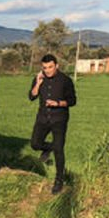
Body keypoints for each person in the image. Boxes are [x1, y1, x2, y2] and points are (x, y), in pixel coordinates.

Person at [28, 54, 77, 194]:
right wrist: (37, 83)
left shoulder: (65, 80)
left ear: (56, 66)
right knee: (35, 144)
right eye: (44, 68)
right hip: (42, 118)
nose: (48, 70)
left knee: (59, 150)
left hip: (59, 119)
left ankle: (59, 180)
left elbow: (73, 101)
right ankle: (49, 148)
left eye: (50, 67)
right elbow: (31, 96)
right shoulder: (39, 78)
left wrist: (58, 103)